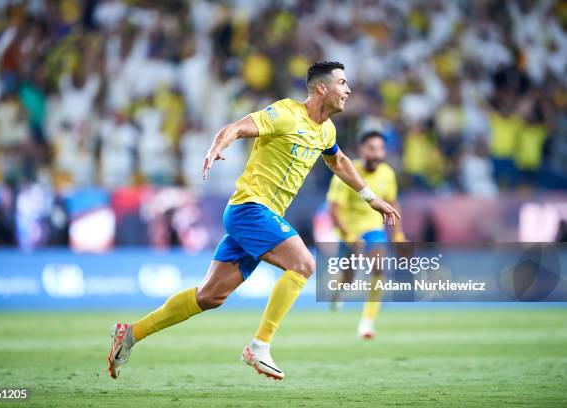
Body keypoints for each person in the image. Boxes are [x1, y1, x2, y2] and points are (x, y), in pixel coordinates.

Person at [107, 61, 401, 381]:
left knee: (209, 296)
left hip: (262, 217)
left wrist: (370, 197)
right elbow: (236, 127)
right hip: (250, 208)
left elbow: (338, 161)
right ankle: (259, 345)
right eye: (342, 83)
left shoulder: (327, 130)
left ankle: (130, 334)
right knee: (303, 264)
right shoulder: (286, 114)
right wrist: (217, 144)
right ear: (321, 89)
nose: (348, 90)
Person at [326, 130, 405, 339]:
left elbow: (393, 201)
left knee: (379, 268)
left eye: (380, 149)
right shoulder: (347, 172)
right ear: (361, 150)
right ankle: (338, 291)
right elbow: (333, 209)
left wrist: (398, 233)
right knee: (349, 278)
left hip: (373, 229)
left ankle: (367, 324)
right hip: (348, 232)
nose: (376, 154)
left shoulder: (387, 173)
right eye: (371, 148)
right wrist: (348, 235)